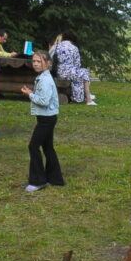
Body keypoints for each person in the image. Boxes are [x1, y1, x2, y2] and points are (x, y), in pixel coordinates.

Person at [20, 50, 64, 192]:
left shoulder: (45, 80)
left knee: (33, 146)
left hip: (46, 119)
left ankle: (38, 181)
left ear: (48, 63)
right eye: (34, 61)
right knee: (48, 147)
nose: (36, 64)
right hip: (47, 117)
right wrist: (32, 93)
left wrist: (30, 94)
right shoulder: (42, 77)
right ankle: (55, 179)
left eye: (39, 61)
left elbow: (44, 102)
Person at [50, 30, 96, 105]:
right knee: (85, 73)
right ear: (73, 39)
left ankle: (83, 96)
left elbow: (50, 57)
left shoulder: (56, 46)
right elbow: (77, 64)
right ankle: (87, 99)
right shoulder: (74, 48)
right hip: (69, 72)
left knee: (81, 74)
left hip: (59, 72)